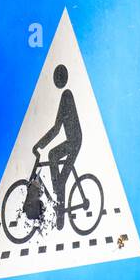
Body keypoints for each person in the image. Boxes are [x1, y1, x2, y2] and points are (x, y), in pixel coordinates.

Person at [34, 64, 83, 229]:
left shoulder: (67, 96)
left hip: (75, 141)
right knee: (52, 155)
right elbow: (56, 128)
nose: (57, 81)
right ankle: (57, 189)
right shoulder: (64, 96)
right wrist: (40, 145)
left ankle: (60, 215)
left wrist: (40, 145)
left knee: (57, 167)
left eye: (58, 78)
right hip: (72, 140)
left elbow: (57, 128)